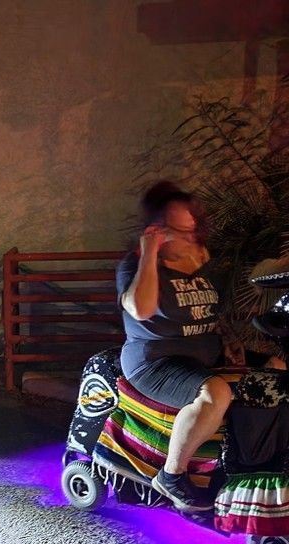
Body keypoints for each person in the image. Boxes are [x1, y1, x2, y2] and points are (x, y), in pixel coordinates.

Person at [117, 182, 276, 511]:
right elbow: (141, 309)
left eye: (193, 230)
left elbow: (213, 313)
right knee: (215, 392)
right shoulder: (136, 267)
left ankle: (253, 462)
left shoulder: (203, 267)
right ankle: (172, 475)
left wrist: (231, 342)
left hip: (204, 355)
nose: (191, 238)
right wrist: (149, 254)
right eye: (180, 231)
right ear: (157, 231)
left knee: (277, 367)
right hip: (155, 362)